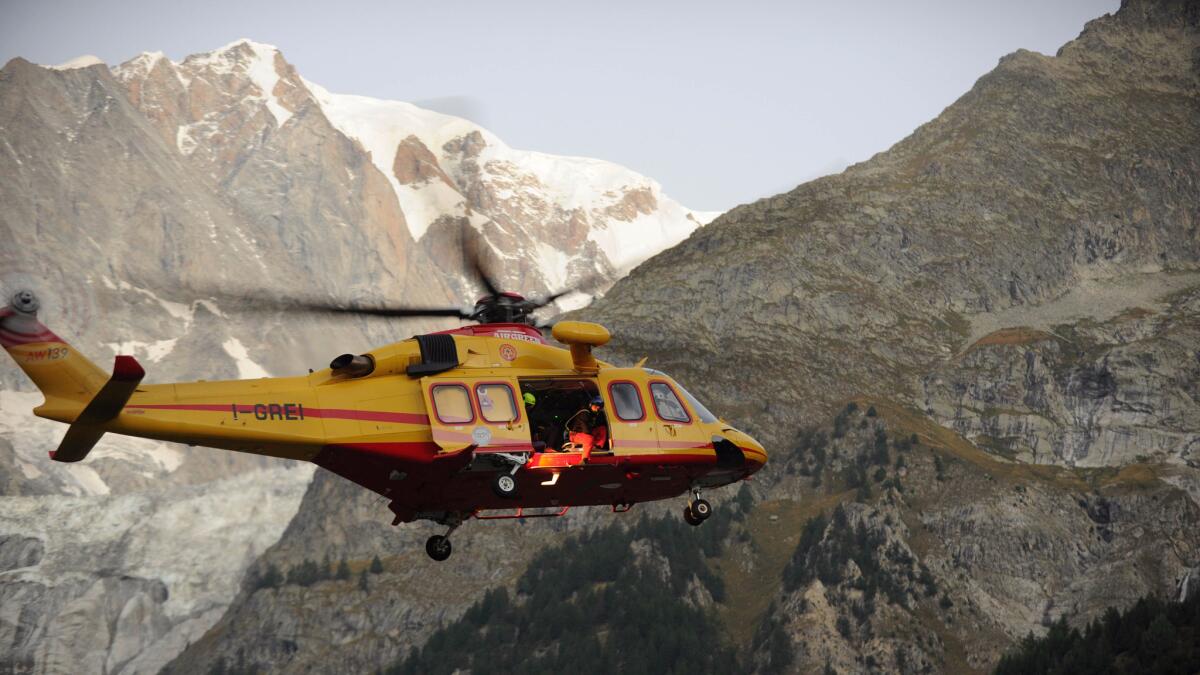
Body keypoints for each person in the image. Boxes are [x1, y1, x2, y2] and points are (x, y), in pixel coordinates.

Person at [566, 395, 608, 462]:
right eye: (596, 406)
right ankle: (584, 459)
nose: (597, 408)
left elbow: (591, 428)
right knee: (589, 438)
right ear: (591, 405)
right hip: (575, 435)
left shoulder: (593, 414)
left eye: (598, 407)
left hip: (584, 434)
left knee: (602, 428)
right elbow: (585, 428)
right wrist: (592, 437)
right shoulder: (584, 413)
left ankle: (597, 446)